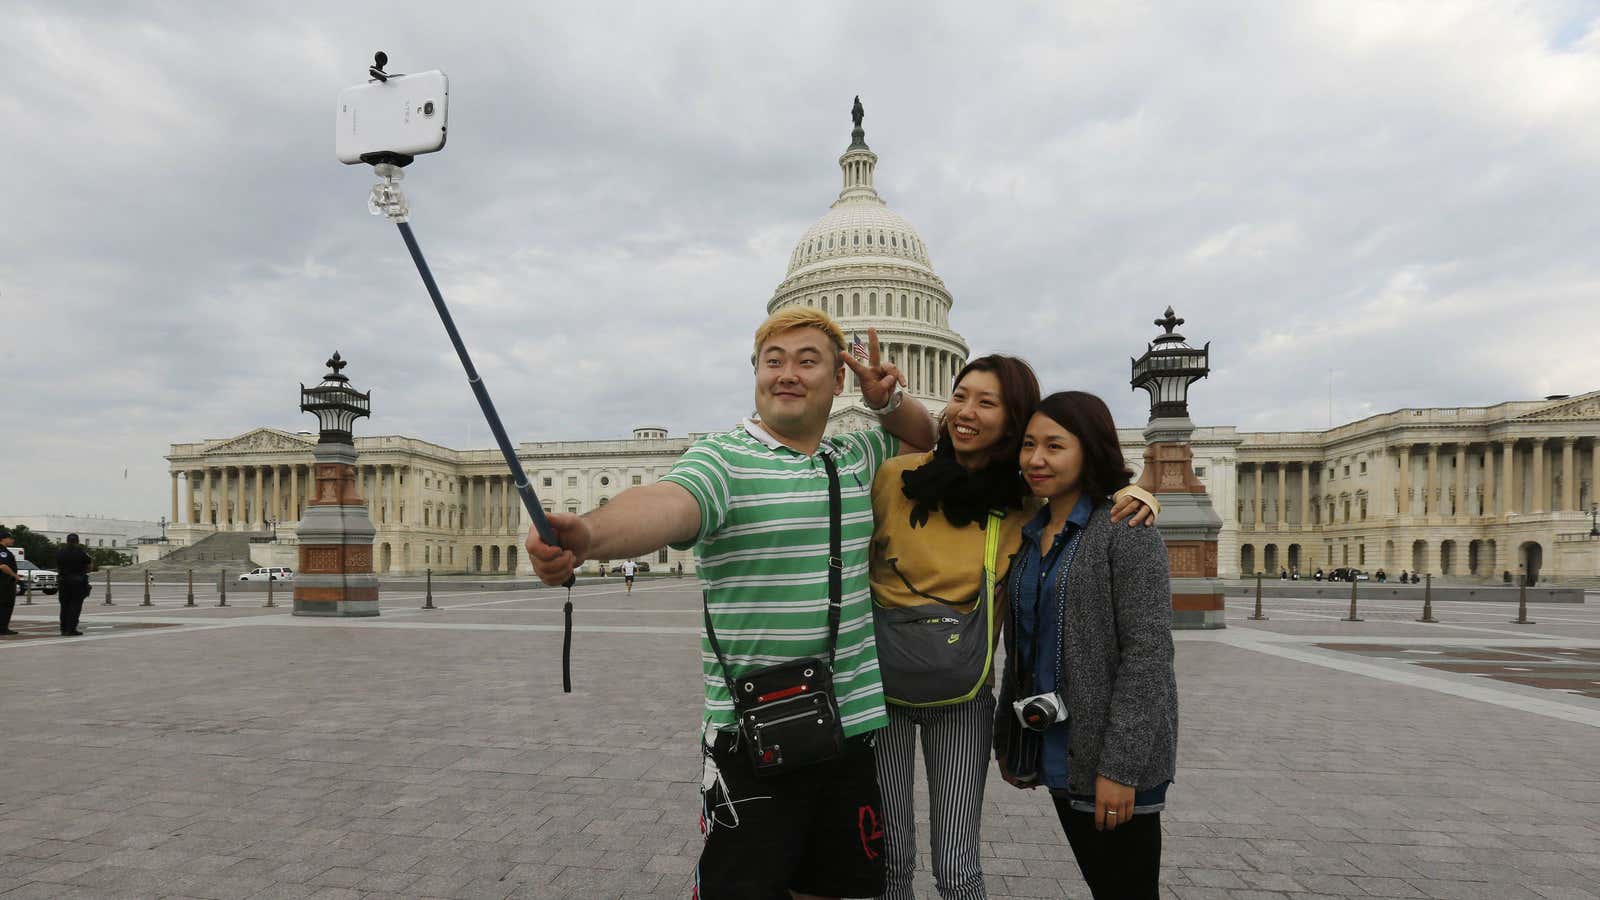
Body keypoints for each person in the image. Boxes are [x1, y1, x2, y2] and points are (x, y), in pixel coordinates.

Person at [528, 309, 937, 899]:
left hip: (847, 731)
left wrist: (887, 401)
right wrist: (587, 537)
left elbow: (923, 435)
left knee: (844, 890)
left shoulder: (854, 456)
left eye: (807, 360)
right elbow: (667, 503)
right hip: (754, 735)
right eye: (773, 361)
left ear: (839, 380)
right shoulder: (722, 460)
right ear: (756, 375)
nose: (787, 374)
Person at [869, 356, 1156, 900]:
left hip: (964, 689)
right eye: (959, 395)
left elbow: (1089, 504)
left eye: (987, 402)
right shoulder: (892, 478)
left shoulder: (1027, 503)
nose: (964, 411)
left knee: (957, 860)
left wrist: (1138, 492)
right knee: (889, 855)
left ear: (1012, 421)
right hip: (879, 685)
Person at [994, 391, 1177, 900]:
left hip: (1113, 756)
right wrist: (1011, 738)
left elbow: (1148, 655)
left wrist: (1120, 769)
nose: (1036, 459)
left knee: (1127, 890)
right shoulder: (1033, 534)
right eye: (1028, 445)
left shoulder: (1125, 528)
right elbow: (1023, 645)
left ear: (1089, 449)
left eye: (1055, 445)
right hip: (1058, 748)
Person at [55, 533, 93, 636]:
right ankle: (71, 629)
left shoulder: (60, 552)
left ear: (67, 541)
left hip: (63, 582)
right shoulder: (81, 552)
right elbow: (90, 566)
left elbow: (57, 565)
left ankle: (63, 629)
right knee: (75, 606)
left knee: (64, 606)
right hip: (77, 582)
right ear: (77, 541)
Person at [0, 529, 19, 635]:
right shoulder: (3, 552)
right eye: (10, 538)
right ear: (3, 539)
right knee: (6, 605)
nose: (12, 540)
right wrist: (15, 575)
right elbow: (3, 566)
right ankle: (3, 628)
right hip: (5, 584)